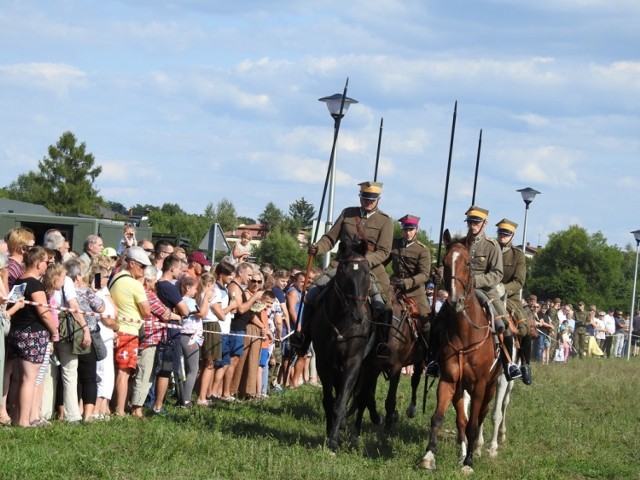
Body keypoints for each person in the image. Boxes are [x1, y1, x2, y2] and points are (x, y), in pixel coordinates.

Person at [426, 206, 521, 381]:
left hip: (486, 291)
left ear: (484, 223)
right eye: (470, 222)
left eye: (476, 222)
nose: (472, 225)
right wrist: (440, 272)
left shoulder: (492, 246)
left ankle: (509, 364)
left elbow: (497, 274)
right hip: (462, 292)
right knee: (437, 321)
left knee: (502, 324)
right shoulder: (460, 243)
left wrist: (474, 282)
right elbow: (452, 265)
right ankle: (434, 360)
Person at [306, 181, 394, 352]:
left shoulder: (385, 221)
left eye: (372, 199)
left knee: (386, 304)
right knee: (312, 294)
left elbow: (384, 251)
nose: (368, 202)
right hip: (342, 264)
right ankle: (303, 338)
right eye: (366, 198)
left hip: (370, 267)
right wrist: (318, 248)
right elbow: (330, 238)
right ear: (360, 197)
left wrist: (363, 261)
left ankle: (382, 344)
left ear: (378, 200)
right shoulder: (347, 214)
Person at [6, 247, 55, 426]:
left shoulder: (19, 281)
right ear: (38, 263)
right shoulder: (35, 284)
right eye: (46, 263)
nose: (47, 266)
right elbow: (44, 313)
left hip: (17, 333)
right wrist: (54, 332)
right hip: (32, 335)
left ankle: (17, 417)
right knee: (29, 379)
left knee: (18, 378)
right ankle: (24, 422)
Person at [109, 246, 151, 416]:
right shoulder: (134, 284)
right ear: (132, 263)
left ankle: (112, 406)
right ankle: (119, 410)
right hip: (128, 331)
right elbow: (147, 311)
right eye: (142, 266)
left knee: (117, 371)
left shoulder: (115, 278)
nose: (144, 270)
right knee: (124, 372)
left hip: (116, 329)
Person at [495, 218, 532, 384]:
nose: (503, 235)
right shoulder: (490, 249)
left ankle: (524, 365)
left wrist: (502, 289)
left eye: (506, 233)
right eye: (501, 232)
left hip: (509, 297)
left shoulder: (518, 255)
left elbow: (519, 281)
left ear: (512, 236)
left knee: (525, 329)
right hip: (487, 293)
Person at [386, 214, 432, 336]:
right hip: (394, 287)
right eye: (405, 229)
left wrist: (406, 283)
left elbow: (424, 275)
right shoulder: (394, 244)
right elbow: (383, 261)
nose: (408, 233)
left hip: (415, 291)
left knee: (425, 319)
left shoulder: (423, 250)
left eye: (411, 229)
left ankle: (427, 352)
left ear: (416, 229)